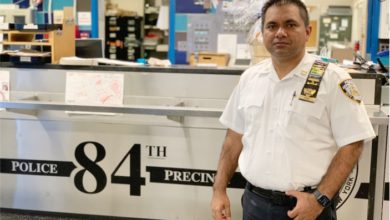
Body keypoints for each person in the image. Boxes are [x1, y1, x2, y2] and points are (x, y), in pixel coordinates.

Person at [210, 0, 376, 219]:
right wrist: (219, 190)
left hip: (307, 208)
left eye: (290, 24)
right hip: (254, 204)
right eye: (272, 26)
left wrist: (320, 200)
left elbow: (352, 145)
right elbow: (233, 138)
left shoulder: (332, 79)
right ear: (262, 33)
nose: (280, 32)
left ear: (307, 31)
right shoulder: (250, 78)